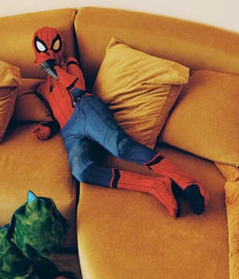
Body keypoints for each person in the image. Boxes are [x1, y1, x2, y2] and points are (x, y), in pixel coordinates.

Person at [32, 26, 209, 218]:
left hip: (86, 109)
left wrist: (54, 68)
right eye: (43, 48)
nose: (49, 52)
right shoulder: (42, 88)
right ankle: (154, 186)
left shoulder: (69, 63)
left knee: (121, 147)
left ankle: (188, 183)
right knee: (81, 171)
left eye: (54, 46)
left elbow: (78, 88)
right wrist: (49, 126)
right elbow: (56, 110)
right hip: (69, 131)